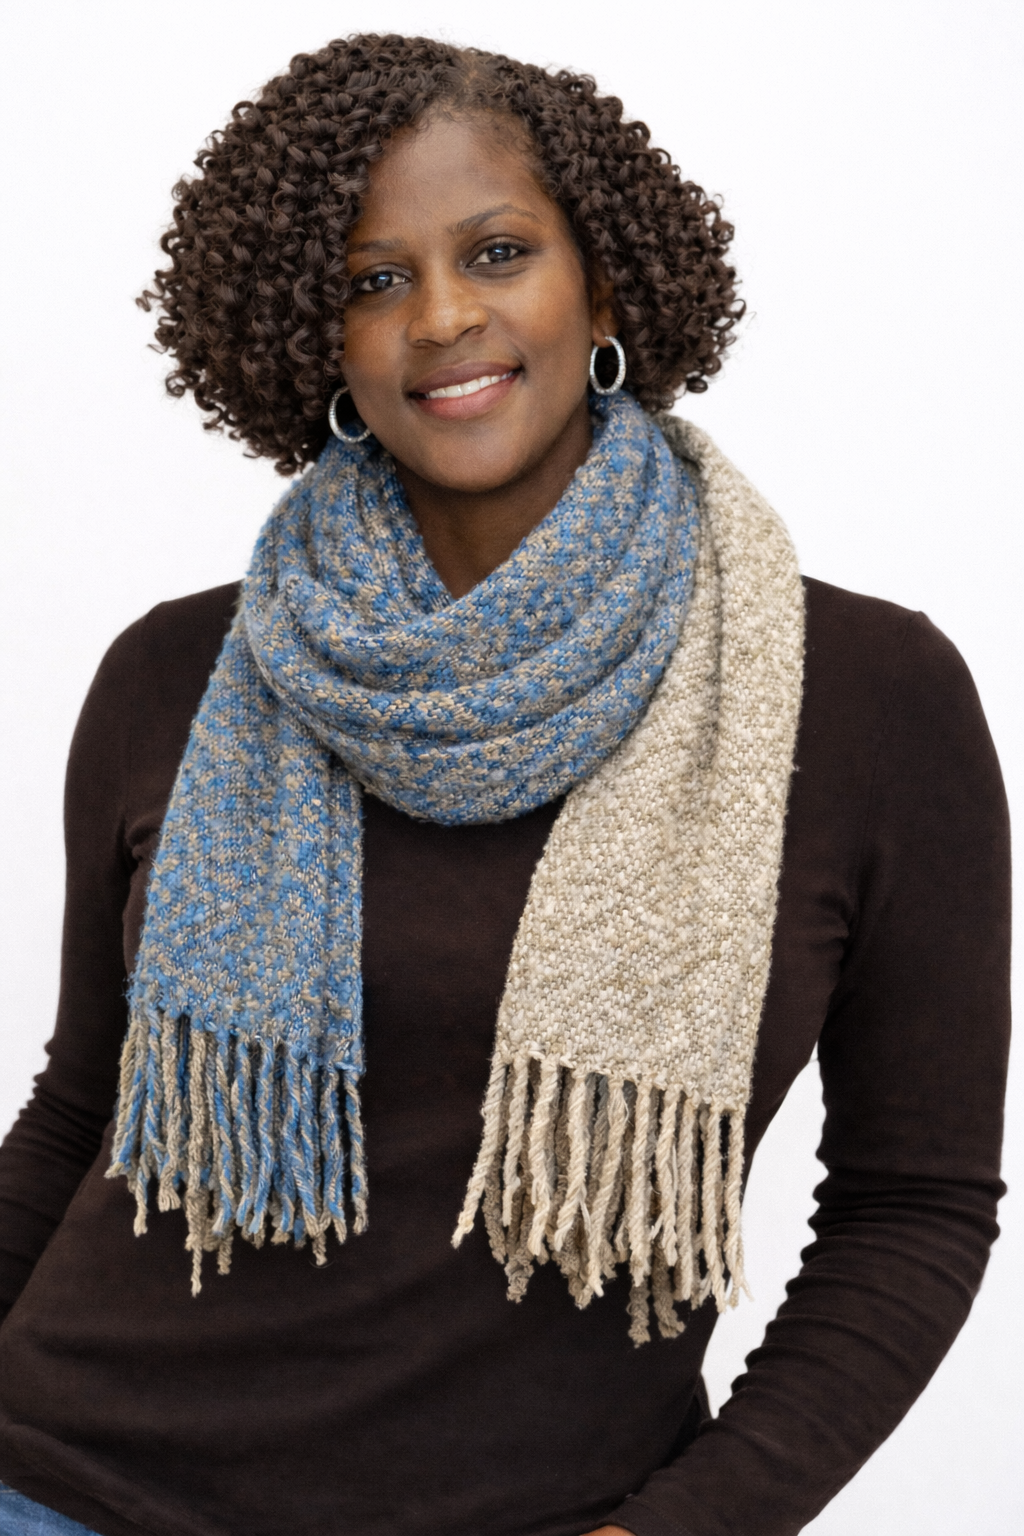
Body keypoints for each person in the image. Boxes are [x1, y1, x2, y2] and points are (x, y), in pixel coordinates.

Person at [0, 32, 1010, 1536]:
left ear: (603, 285)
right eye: (372, 278)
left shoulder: (865, 701)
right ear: (312, 335)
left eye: (497, 250)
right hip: (63, 1485)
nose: (444, 318)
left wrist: (682, 1526)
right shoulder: (179, 674)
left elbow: (911, 1207)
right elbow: (85, 1108)